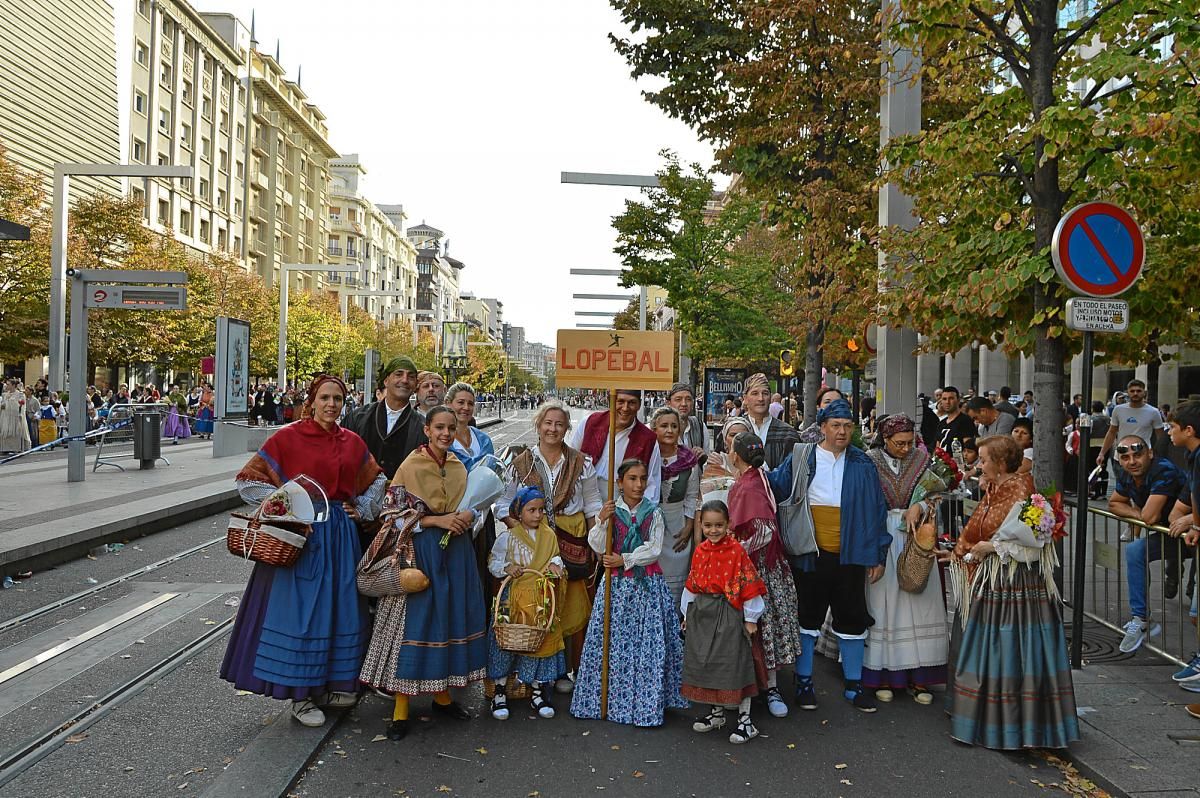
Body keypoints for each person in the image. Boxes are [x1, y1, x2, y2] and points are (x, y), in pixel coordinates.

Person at [221, 374, 386, 727]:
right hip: (301, 537)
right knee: (301, 613)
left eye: (337, 399)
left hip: (340, 535)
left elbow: (377, 481)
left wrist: (364, 507)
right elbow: (249, 481)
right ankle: (299, 695)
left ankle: (327, 684)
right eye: (324, 398)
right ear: (311, 401)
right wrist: (286, 506)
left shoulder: (353, 442)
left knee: (338, 608)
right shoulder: (287, 438)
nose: (331, 405)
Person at [359, 406, 488, 741]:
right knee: (418, 621)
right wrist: (436, 520)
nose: (446, 433)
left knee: (449, 618)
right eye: (439, 428)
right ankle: (401, 709)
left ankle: (442, 696)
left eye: (451, 428)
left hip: (456, 551)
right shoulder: (412, 465)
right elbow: (393, 516)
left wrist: (469, 516)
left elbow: (474, 505)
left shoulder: (460, 465)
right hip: (423, 551)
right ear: (427, 430)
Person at [947, 435, 1078, 749]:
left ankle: (1010, 726)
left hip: (1015, 584)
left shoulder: (1022, 490)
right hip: (993, 580)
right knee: (989, 649)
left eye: (983, 460)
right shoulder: (996, 487)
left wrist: (988, 547)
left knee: (1009, 651)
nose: (978, 465)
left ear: (1001, 463)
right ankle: (986, 718)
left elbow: (1034, 545)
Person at [766, 399, 890, 714]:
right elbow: (774, 487)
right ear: (822, 428)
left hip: (851, 555)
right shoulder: (801, 456)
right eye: (835, 425)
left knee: (852, 618)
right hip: (810, 554)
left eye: (847, 426)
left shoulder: (863, 463)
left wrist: (878, 554)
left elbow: (877, 511)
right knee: (807, 618)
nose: (842, 432)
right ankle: (804, 682)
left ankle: (854, 684)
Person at [570, 459, 687, 726]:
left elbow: (654, 549)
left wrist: (625, 560)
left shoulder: (653, 512)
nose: (638, 484)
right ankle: (607, 699)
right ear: (620, 483)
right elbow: (598, 545)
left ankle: (645, 701)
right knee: (613, 643)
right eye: (632, 479)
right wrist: (600, 522)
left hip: (646, 586)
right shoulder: (610, 511)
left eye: (642, 478)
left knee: (646, 644)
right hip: (617, 587)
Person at [496, 400, 602, 694]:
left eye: (559, 424)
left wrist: (594, 541)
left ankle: (565, 670)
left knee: (570, 605)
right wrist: (522, 534)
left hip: (572, 539)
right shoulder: (521, 463)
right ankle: (535, 671)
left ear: (567, 428)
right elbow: (503, 504)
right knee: (536, 604)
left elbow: (592, 503)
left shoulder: (582, 463)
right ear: (538, 426)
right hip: (534, 543)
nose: (553, 429)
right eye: (548, 423)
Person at [862, 414, 948, 705]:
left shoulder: (921, 460)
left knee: (918, 600)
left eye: (910, 442)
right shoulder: (869, 460)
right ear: (885, 439)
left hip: (915, 536)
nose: (905, 448)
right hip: (883, 533)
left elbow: (936, 494)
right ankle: (883, 674)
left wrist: (920, 505)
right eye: (899, 443)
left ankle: (920, 676)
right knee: (884, 602)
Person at [726, 431, 801, 718]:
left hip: (756, 568)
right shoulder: (756, 478)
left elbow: (762, 530)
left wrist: (733, 549)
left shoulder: (749, 485)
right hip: (766, 566)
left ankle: (768, 687)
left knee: (761, 625)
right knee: (762, 626)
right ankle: (760, 685)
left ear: (736, 455)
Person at [681, 500, 768, 745]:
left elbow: (748, 584)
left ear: (728, 524)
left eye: (719, 525)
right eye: (708, 525)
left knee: (734, 664)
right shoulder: (700, 551)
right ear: (701, 524)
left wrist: (751, 618)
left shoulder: (737, 551)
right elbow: (692, 584)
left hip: (729, 613)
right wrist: (687, 615)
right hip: (703, 614)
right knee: (708, 663)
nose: (713, 530)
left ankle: (745, 721)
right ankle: (716, 713)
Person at [487, 487, 567, 721]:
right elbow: (494, 561)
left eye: (541, 510)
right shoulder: (508, 537)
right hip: (513, 599)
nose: (537, 514)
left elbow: (555, 556)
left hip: (541, 599)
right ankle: (500, 691)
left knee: (539, 644)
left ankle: (537, 690)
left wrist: (555, 565)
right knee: (507, 642)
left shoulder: (549, 535)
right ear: (518, 513)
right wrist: (506, 568)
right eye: (531, 510)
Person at [1108, 435, 1189, 651]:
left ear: (1150, 453)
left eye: (1138, 455)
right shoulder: (1128, 474)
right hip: (1171, 532)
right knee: (1135, 550)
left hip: (1190, 531)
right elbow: (1114, 503)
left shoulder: (1163, 470)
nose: (1132, 461)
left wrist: (1142, 515)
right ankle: (1141, 619)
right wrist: (1136, 512)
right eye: (1125, 457)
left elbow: (1150, 517)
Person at [1165, 402, 1200, 718]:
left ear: (1189, 430)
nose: (1169, 432)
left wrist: (1195, 524)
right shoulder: (1193, 457)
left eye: (1173, 427)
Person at [569, 389, 663, 503]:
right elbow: (570, 460)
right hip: (584, 502)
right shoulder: (590, 422)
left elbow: (652, 485)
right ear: (611, 401)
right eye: (620, 401)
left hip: (624, 508)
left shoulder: (648, 440)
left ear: (639, 404)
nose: (625, 408)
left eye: (632, 402)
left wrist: (640, 517)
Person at [343, 356, 427, 481]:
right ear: (386, 381)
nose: (404, 380)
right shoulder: (358, 417)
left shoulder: (423, 426)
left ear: (415, 385)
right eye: (398, 374)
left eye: (411, 377)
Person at [651, 407, 702, 613]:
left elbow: (692, 496)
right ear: (654, 429)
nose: (669, 430)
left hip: (677, 525)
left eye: (674, 426)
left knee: (676, 587)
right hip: (651, 524)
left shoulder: (688, 460)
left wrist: (689, 525)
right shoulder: (646, 457)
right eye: (664, 426)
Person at [1098, 379, 1162, 475]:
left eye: (1139, 391)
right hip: (1121, 456)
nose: (1135, 393)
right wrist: (1102, 453)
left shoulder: (1153, 412)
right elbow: (1111, 432)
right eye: (1132, 391)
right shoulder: (1118, 410)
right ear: (1127, 392)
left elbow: (1160, 436)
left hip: (1143, 457)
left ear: (1144, 393)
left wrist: (1160, 457)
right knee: (1121, 488)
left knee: (1142, 488)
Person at [741, 373, 799, 469]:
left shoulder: (787, 433)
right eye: (755, 393)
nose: (761, 398)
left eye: (765, 393)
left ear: (770, 398)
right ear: (745, 399)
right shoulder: (735, 430)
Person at [446, 382, 494, 472]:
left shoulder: (484, 440)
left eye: (470, 404)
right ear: (448, 403)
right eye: (461, 402)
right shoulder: (442, 440)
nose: (466, 407)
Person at [666, 382, 711, 455]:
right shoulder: (657, 429)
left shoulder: (700, 426)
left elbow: (707, 461)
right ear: (668, 403)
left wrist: (703, 457)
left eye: (688, 399)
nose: (684, 404)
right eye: (678, 399)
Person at [937, 386, 976, 450]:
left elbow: (969, 447)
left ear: (958, 400)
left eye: (951, 398)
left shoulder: (965, 421)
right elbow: (937, 446)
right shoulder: (941, 423)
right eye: (944, 399)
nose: (947, 402)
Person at [0, 378, 31, 454]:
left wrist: (20, 413)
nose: (6, 386)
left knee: (16, 432)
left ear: (14, 385)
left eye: (8, 384)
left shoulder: (20, 394)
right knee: (5, 432)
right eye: (6, 384)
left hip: (15, 417)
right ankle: (5, 448)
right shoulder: (5, 395)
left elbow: (22, 406)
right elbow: (2, 405)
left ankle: (15, 448)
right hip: (6, 416)